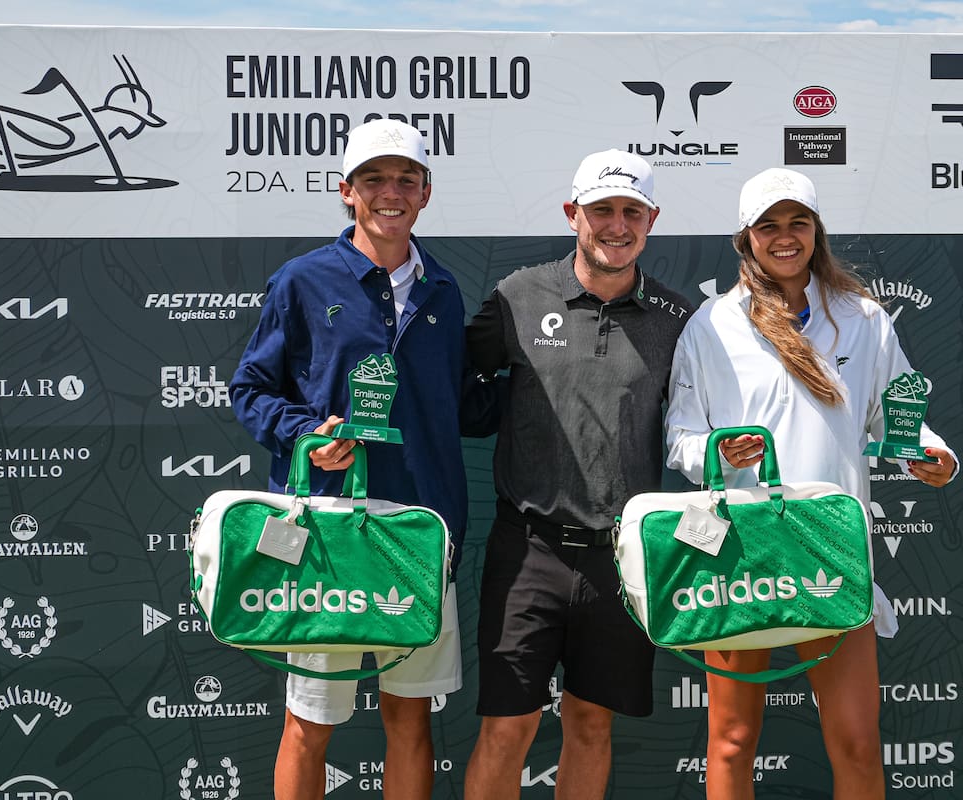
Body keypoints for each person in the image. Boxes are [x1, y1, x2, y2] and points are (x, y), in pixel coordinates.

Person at [664, 167, 958, 799]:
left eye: (798, 222)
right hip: (742, 551)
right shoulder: (711, 325)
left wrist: (933, 455)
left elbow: (896, 420)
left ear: (817, 231)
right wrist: (719, 449)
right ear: (745, 239)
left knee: (855, 741)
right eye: (768, 225)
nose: (784, 237)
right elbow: (680, 440)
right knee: (732, 742)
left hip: (833, 546)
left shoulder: (866, 319)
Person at [231, 118, 479, 800]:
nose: (390, 193)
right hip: (329, 531)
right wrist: (309, 434)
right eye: (374, 179)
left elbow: (457, 405)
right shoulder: (302, 280)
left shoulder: (445, 291)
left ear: (426, 192)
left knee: (410, 720)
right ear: (347, 191)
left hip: (420, 532)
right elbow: (249, 390)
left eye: (406, 179)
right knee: (310, 723)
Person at [463, 149, 693, 800]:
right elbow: (451, 379)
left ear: (651, 220)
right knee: (506, 731)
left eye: (632, 212)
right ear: (572, 214)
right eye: (601, 211)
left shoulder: (678, 321)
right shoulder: (517, 298)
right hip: (527, 552)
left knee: (591, 727)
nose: (616, 226)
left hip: (622, 562)